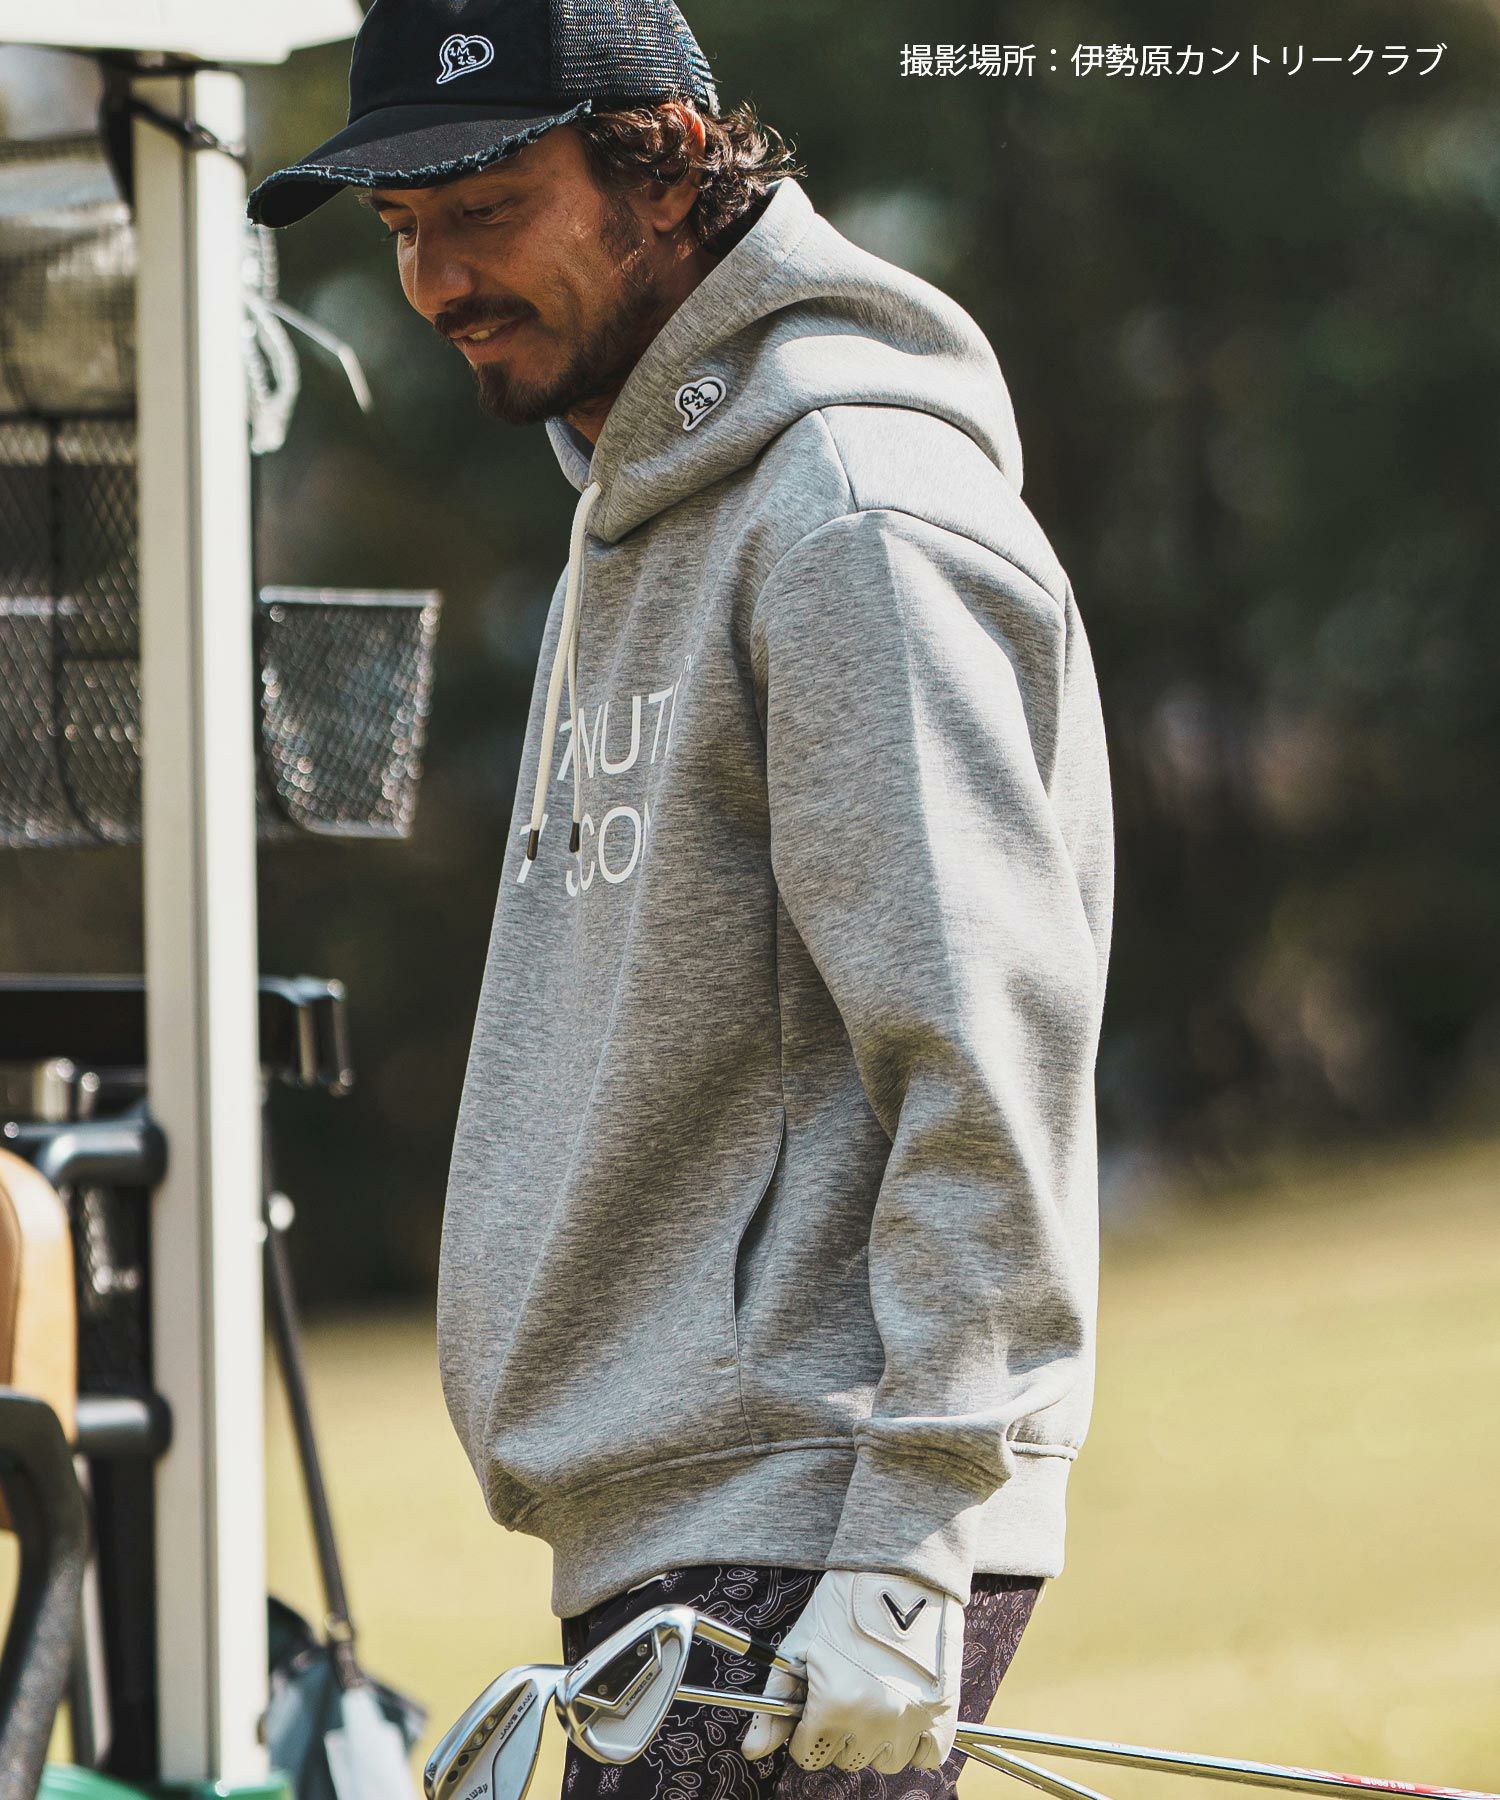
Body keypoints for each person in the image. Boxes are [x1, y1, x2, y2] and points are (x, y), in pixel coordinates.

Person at [248, 2, 1116, 1795]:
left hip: (816, 1523)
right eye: (402, 229)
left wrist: (914, 1539)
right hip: (691, 1526)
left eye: (485, 208)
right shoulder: (637, 512)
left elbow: (984, 1044)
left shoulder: (848, 513)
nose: (435, 282)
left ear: (668, 165)